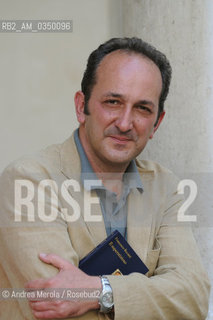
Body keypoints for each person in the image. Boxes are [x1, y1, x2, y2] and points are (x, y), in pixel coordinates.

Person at [0, 37, 210, 320]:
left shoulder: (165, 186)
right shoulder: (28, 181)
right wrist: (149, 299)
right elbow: (59, 309)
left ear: (157, 123)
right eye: (113, 102)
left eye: (142, 109)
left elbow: (193, 297)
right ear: (80, 106)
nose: (125, 123)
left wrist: (98, 291)